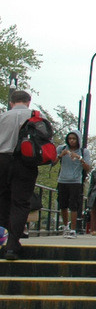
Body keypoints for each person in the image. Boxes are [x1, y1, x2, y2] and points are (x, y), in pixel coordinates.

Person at [0, 90, 37, 260]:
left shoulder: (3, 117)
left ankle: (2, 238)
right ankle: (13, 245)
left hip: (2, 160)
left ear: (11, 102)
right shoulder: (35, 117)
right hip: (25, 162)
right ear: (28, 102)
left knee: (3, 200)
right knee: (21, 203)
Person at [54, 128, 91, 237]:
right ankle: (66, 227)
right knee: (63, 205)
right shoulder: (61, 148)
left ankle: (73, 229)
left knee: (74, 206)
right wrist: (61, 155)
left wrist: (79, 158)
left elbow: (87, 168)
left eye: (74, 139)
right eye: (70, 138)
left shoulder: (84, 151)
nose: (72, 141)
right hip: (62, 180)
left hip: (76, 181)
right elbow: (53, 162)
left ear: (78, 140)